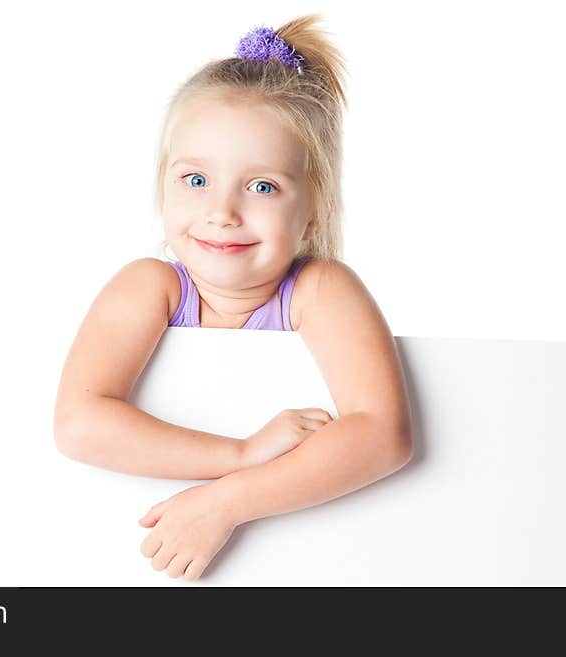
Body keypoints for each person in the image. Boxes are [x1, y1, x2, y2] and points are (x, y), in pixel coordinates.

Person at [53, 15, 414, 581]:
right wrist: (240, 455)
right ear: (163, 186)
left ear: (315, 208)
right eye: (195, 180)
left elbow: (382, 434)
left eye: (262, 186)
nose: (222, 211)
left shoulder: (319, 291)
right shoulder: (152, 286)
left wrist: (225, 504)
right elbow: (79, 424)